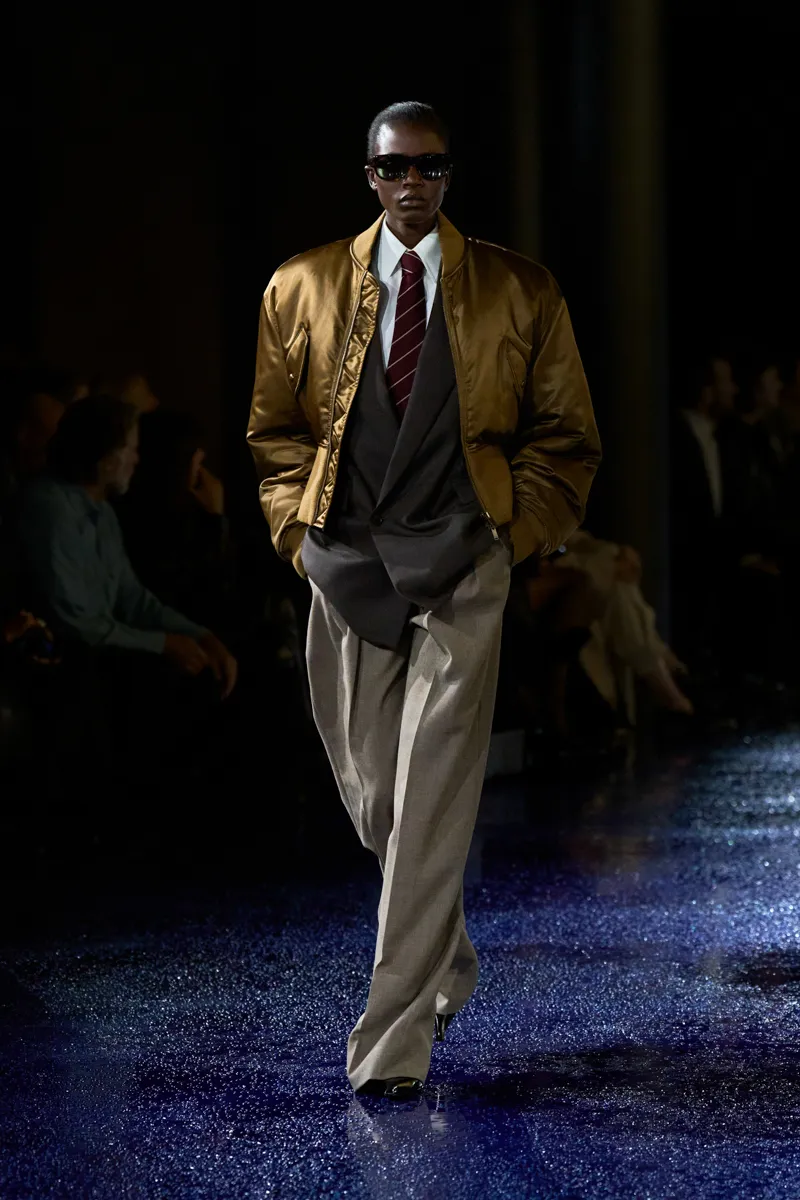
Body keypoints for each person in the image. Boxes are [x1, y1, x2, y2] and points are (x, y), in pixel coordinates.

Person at [247, 101, 601, 1099]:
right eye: (396, 166)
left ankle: (390, 1044)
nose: (413, 183)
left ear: (450, 175)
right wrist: (297, 538)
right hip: (344, 560)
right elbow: (274, 433)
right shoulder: (300, 284)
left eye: (431, 166)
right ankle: (444, 947)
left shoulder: (520, 290)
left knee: (434, 796)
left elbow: (566, 435)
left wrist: (510, 540)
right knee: (378, 802)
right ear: (369, 174)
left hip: (461, 562)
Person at [16, 395, 237, 697]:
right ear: (104, 457)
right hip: (55, 680)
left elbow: (131, 597)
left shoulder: (102, 511)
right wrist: (164, 644)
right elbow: (76, 625)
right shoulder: (49, 510)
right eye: (130, 449)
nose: (136, 460)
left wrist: (200, 635)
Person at [116, 409, 236, 634]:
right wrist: (215, 519)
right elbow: (212, 595)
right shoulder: (152, 527)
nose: (203, 474)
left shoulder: (171, 513)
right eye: (197, 465)